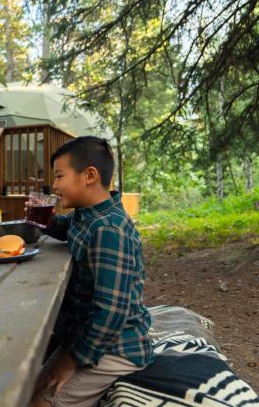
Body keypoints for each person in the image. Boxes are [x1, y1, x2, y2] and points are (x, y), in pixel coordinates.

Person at [30, 136, 153, 407]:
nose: (55, 185)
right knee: (25, 385)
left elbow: (111, 311)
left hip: (115, 346)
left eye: (59, 176)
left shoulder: (109, 229)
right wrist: (47, 220)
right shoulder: (88, 215)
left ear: (89, 175)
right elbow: (68, 227)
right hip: (86, 334)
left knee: (37, 402)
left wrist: (71, 360)